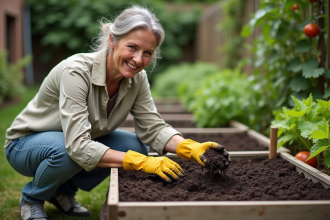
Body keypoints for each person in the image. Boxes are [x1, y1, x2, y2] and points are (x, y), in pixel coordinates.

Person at [4, 5, 230, 220]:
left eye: (147, 52)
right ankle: (33, 198)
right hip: (26, 144)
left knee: (135, 146)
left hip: (71, 141)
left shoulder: (137, 79)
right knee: (69, 151)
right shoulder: (76, 72)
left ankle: (62, 190)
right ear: (112, 40)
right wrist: (140, 163)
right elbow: (77, 145)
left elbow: (153, 127)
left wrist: (188, 147)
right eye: (132, 47)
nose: (138, 60)